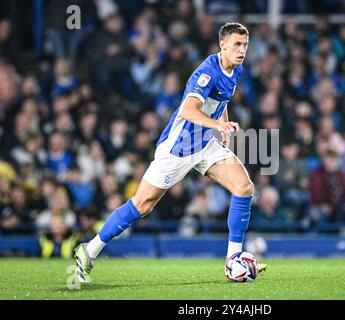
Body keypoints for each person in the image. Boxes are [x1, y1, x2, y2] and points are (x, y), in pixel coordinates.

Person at [74, 22, 267, 282]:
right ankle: (89, 249)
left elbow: (221, 100)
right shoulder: (206, 73)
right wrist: (218, 124)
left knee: (244, 187)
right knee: (142, 205)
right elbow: (188, 110)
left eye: (245, 44)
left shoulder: (236, 68)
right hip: (179, 147)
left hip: (206, 144)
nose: (242, 50)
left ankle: (233, 260)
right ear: (222, 45)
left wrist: (222, 131)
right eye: (236, 44)